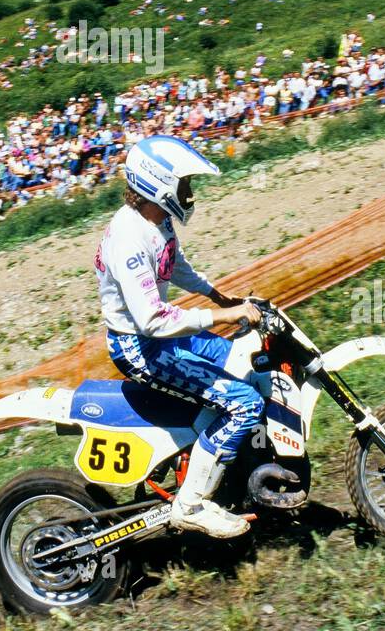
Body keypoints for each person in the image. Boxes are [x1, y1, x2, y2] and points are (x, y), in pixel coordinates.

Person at [95, 134, 264, 540]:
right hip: (140, 347)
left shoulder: (157, 221)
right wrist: (223, 314)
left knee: (243, 361)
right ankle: (190, 504)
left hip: (160, 337)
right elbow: (153, 318)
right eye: (184, 184)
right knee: (244, 403)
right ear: (159, 184)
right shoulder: (128, 240)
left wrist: (220, 295)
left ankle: (220, 464)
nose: (189, 193)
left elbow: (176, 264)